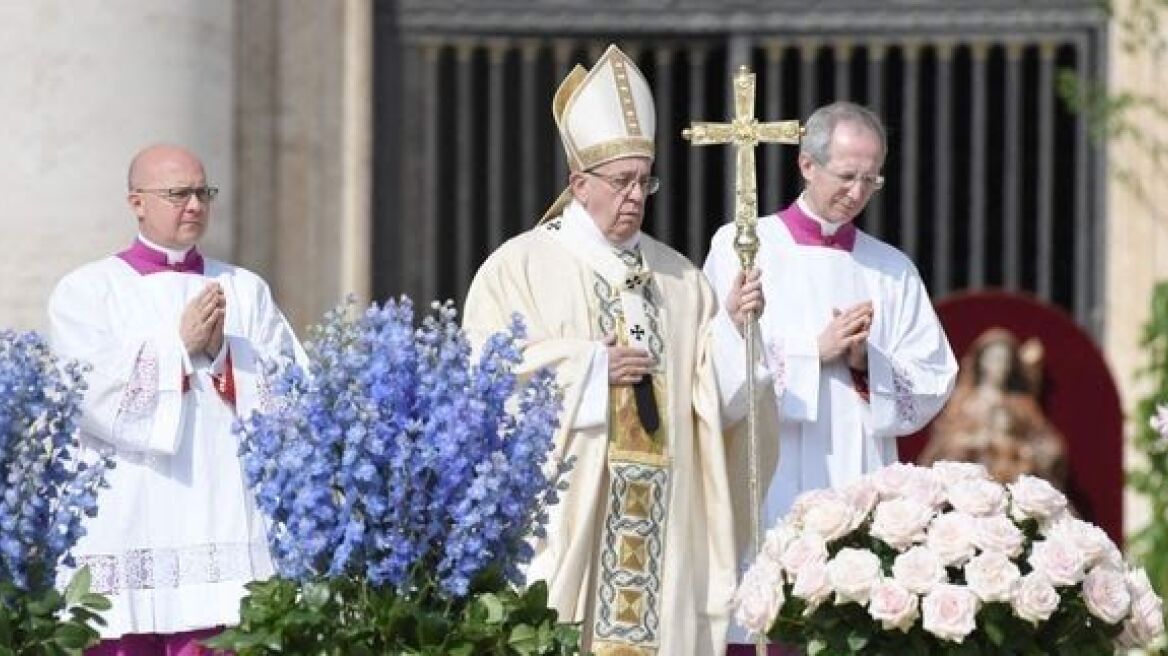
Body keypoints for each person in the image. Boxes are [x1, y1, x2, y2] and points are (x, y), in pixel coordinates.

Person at [462, 44, 769, 656]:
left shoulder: (681, 279)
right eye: (620, 181)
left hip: (665, 529)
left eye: (644, 181)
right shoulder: (519, 267)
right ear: (579, 184)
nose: (635, 195)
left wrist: (734, 329)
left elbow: (720, 405)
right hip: (572, 523)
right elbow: (485, 378)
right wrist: (590, 366)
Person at [702, 101, 959, 652]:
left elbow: (935, 378)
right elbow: (713, 368)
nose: (858, 191)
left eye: (871, 179)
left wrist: (868, 359)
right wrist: (811, 351)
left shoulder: (891, 268)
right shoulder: (741, 245)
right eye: (847, 176)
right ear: (807, 166)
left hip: (855, 469)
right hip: (768, 472)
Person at [48, 144, 304, 654]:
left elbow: (293, 393)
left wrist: (227, 354)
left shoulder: (244, 289)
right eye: (177, 193)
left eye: (202, 192)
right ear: (136, 201)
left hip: (222, 514)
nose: (194, 205)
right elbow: (86, 392)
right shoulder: (87, 291)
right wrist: (177, 348)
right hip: (128, 517)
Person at [919, 328, 1069, 489]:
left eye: (1006, 360)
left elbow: (1046, 444)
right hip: (968, 482)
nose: (1001, 366)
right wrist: (970, 442)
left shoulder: (1021, 404)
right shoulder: (963, 401)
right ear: (981, 362)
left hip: (1012, 482)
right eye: (994, 359)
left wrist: (1022, 450)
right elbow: (942, 443)